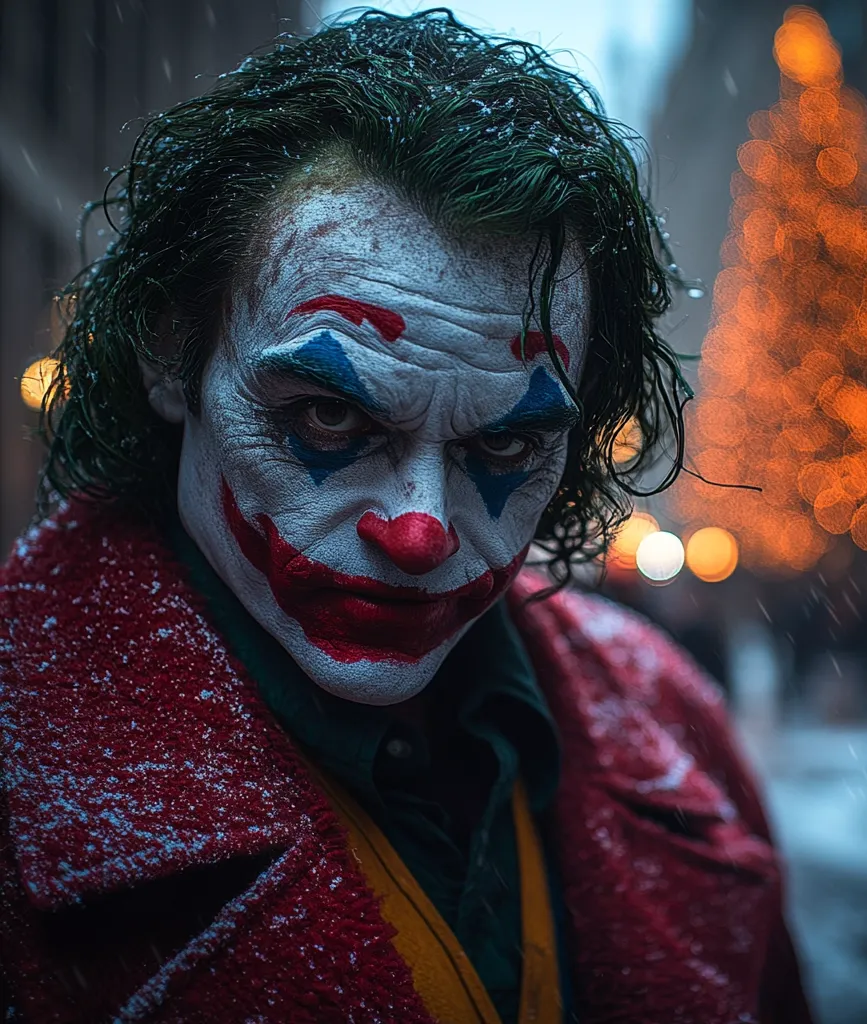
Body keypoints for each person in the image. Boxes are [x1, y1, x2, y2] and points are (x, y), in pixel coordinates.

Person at [0, 11, 812, 1023]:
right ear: (173, 351)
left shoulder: (670, 720)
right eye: (329, 415)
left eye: (504, 446)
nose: (419, 529)